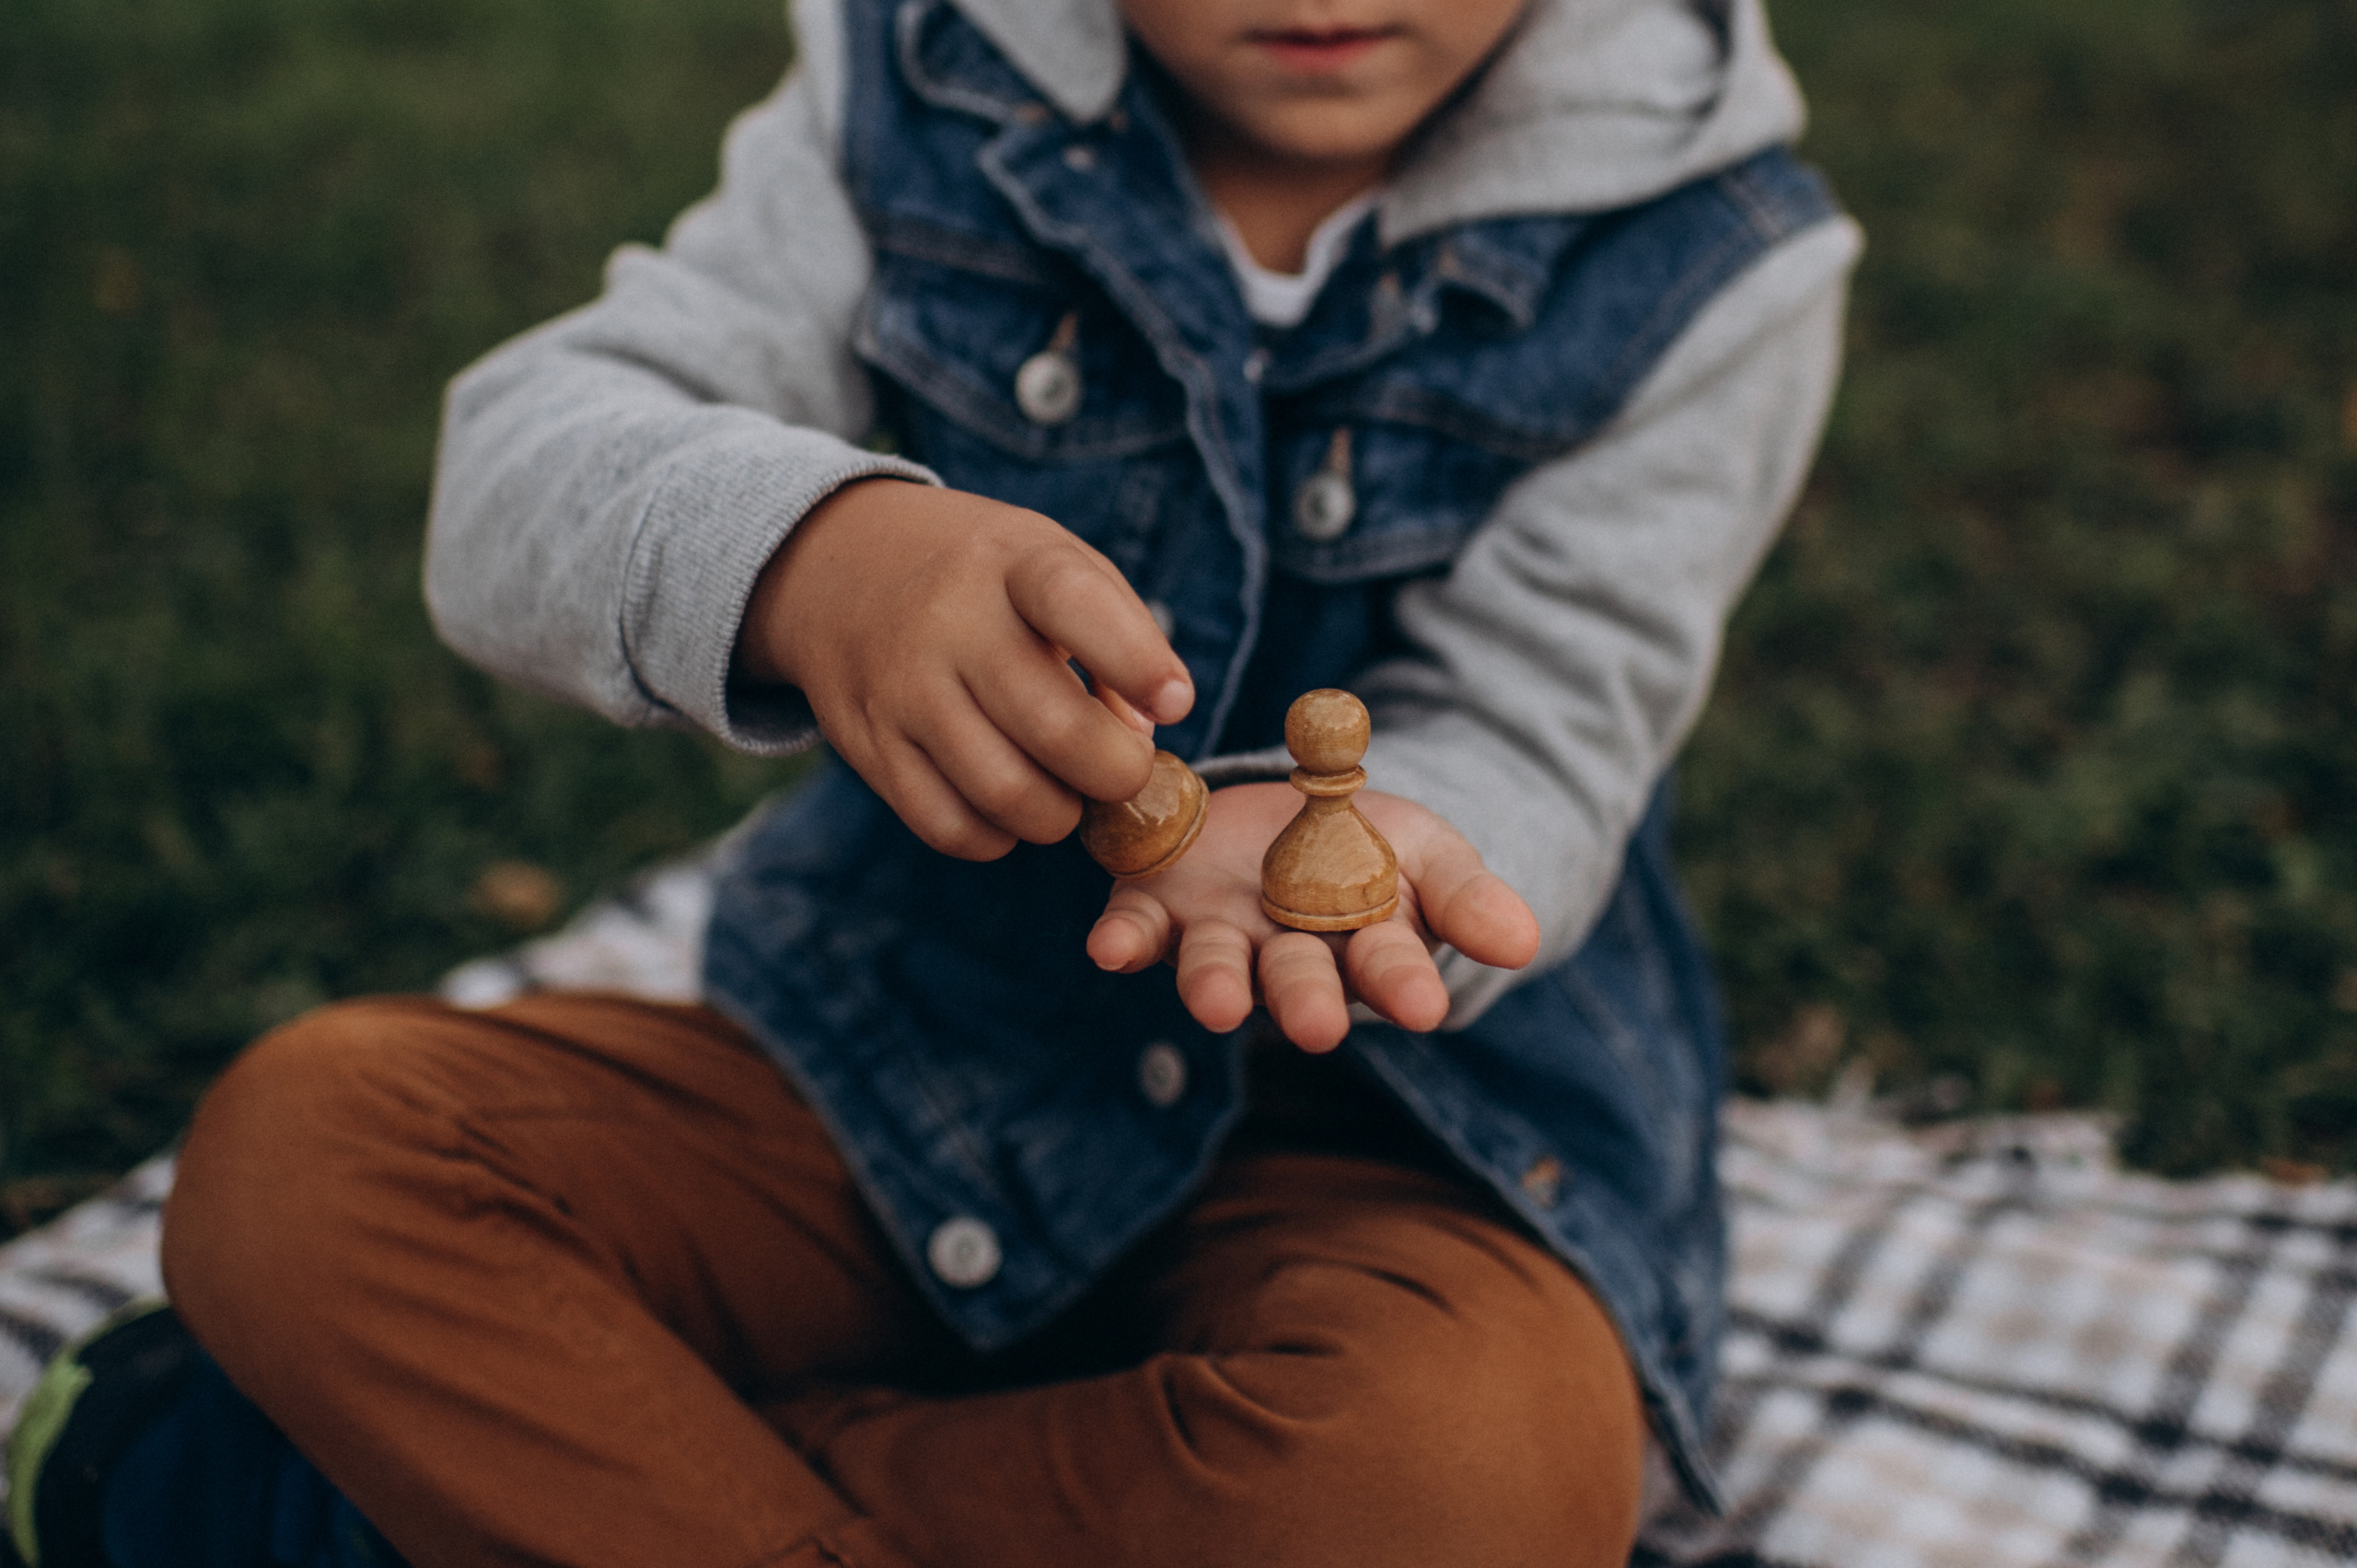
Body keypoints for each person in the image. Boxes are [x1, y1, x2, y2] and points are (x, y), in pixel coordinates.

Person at [6, 1, 1860, 1564]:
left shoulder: (1711, 253)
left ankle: (376, 1505)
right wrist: (818, 561)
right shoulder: (915, 92)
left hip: (1393, 1156)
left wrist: (1379, 853)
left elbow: (1548, 722)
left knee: (1469, 1472)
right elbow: (512, 468)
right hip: (893, 1079)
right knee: (305, 1155)